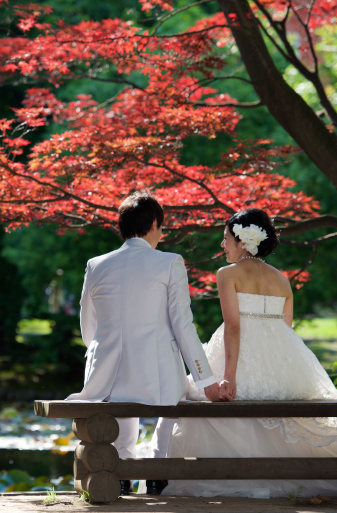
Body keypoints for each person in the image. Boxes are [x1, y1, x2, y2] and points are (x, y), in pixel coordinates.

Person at [159, 208, 337, 499]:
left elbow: (234, 327)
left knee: (201, 395)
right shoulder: (282, 280)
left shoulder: (227, 274)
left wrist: (229, 376)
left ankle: (237, 479)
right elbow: (285, 330)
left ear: (242, 241)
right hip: (284, 359)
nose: (222, 245)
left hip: (237, 358)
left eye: (226, 239)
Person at [65, 191, 231, 497]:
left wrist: (107, 349)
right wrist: (204, 379)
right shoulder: (170, 262)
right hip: (158, 375)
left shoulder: (96, 264)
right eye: (161, 226)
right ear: (154, 224)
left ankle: (123, 471)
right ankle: (157, 471)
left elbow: (88, 329)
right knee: (180, 399)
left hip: (106, 374)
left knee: (119, 403)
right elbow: (182, 325)